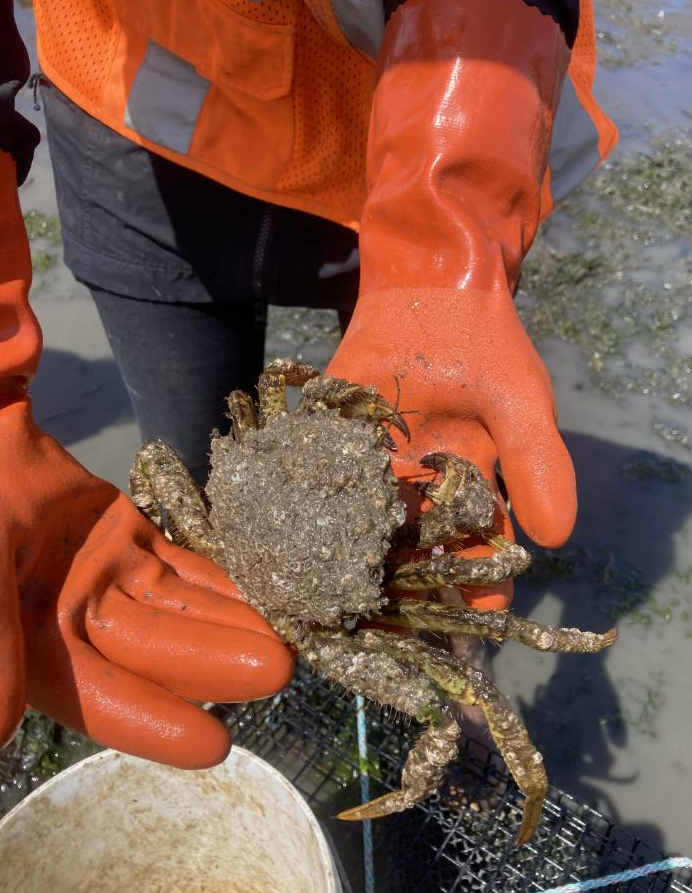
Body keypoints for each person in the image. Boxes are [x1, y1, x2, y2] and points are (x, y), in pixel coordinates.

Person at [1, 0, 616, 765]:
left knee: (445, 517)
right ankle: (216, 671)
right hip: (142, 115)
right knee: (181, 456)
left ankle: (456, 678)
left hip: (413, 132)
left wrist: (451, 211)